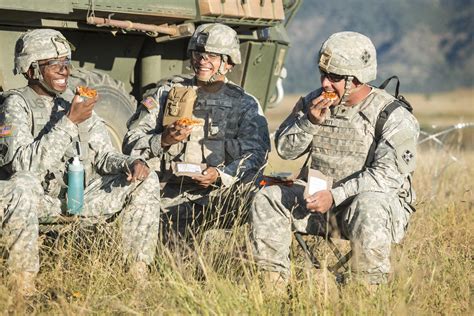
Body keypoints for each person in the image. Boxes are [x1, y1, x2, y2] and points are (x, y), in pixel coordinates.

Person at [249, 31, 419, 288]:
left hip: (366, 209)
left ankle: (366, 293)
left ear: (358, 79)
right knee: (268, 197)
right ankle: (271, 286)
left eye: (336, 78)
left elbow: (385, 177)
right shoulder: (313, 101)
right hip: (318, 200)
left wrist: (335, 195)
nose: (326, 83)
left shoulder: (393, 115)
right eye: (324, 74)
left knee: (370, 204)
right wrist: (310, 122)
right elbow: (285, 149)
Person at [0, 28, 161, 295]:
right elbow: (22, 166)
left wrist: (130, 163)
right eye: (54, 65)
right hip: (38, 200)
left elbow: (104, 156)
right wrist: (69, 122)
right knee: (22, 184)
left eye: (66, 63)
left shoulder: (73, 101)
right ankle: (23, 287)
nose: (64, 71)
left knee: (146, 179)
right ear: (31, 71)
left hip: (80, 197)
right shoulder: (16, 105)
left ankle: (138, 280)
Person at [123, 23, 270, 240]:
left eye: (211, 56)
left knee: (263, 194)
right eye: (198, 54)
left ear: (228, 62)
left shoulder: (245, 104)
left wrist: (220, 175)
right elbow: (131, 141)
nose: (202, 61)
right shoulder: (166, 94)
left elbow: (257, 155)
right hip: (169, 197)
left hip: (220, 199)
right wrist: (162, 140)